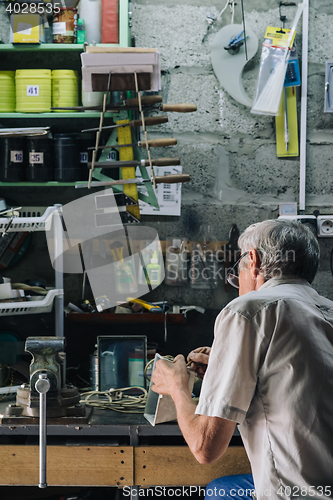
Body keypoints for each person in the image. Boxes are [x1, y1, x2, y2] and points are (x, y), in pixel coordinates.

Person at [151, 220, 333, 500]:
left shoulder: (247, 311)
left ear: (253, 259)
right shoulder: (327, 310)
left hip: (294, 494)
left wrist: (177, 387)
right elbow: (299, 379)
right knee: (221, 490)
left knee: (217, 491)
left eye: (239, 263)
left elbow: (205, 448)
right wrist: (233, 368)